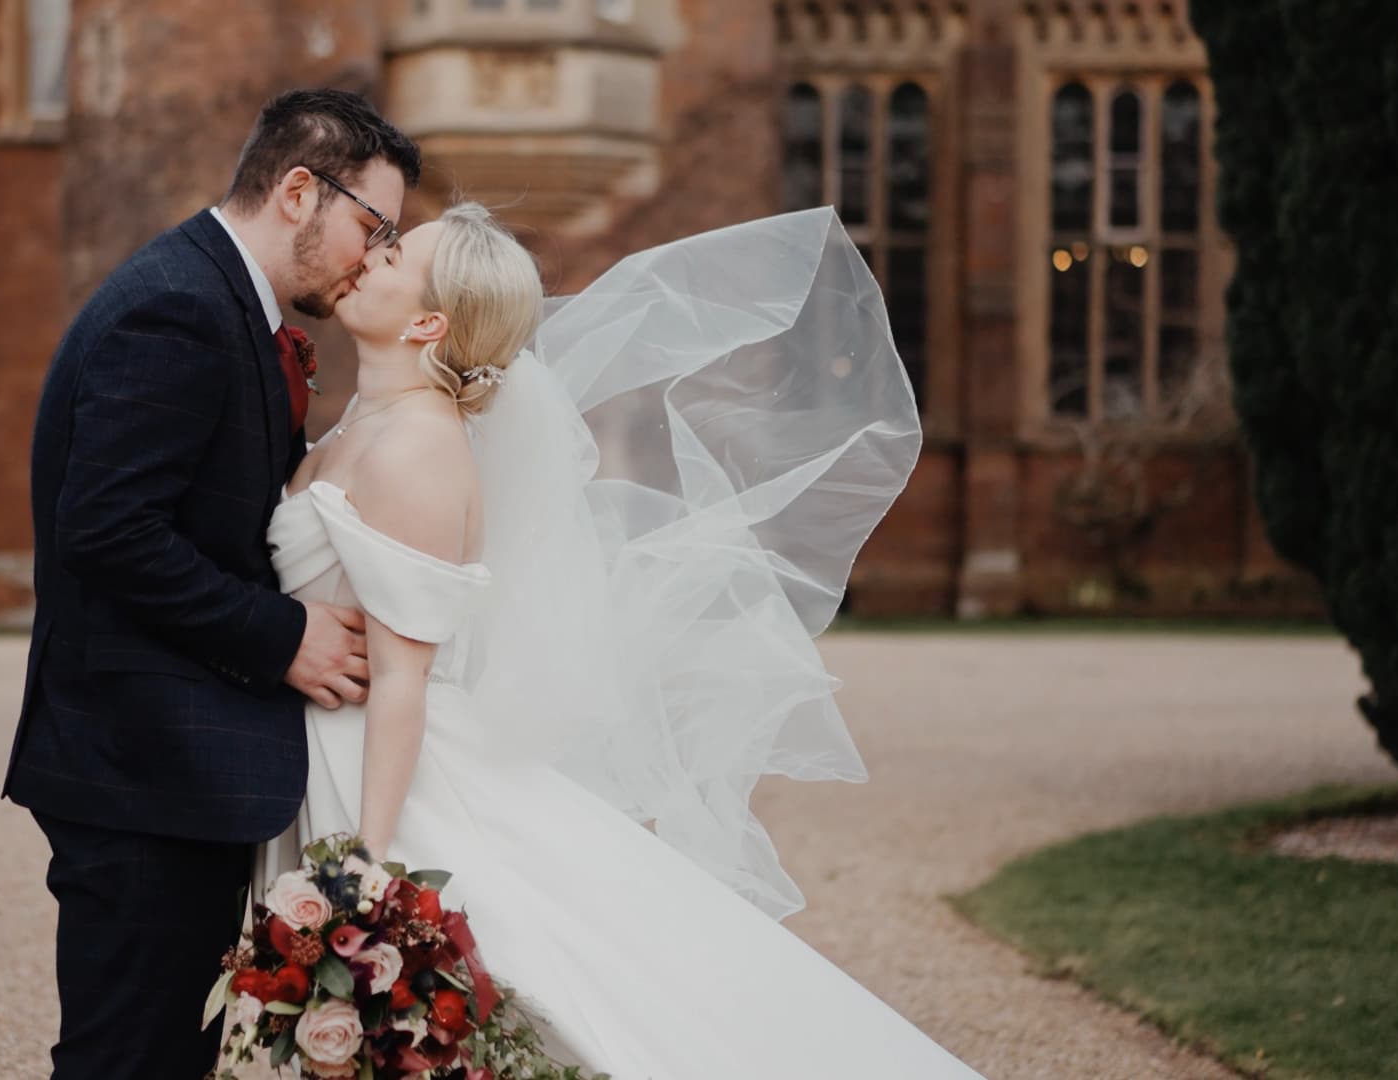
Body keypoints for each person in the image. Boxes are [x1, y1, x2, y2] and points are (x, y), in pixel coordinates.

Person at [254, 201, 986, 1077]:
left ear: (427, 322)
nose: (369, 257)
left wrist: (364, 870)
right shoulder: (361, 424)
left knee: (545, 1007)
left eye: (394, 255)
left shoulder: (415, 446)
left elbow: (405, 677)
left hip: (389, 776)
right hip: (332, 746)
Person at [2, 89, 420, 1078]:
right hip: (139, 767)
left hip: (172, 763)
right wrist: (282, 636)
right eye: (375, 225)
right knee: (125, 1059)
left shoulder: (221, 299)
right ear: (297, 191)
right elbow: (106, 529)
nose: (375, 253)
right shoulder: (177, 306)